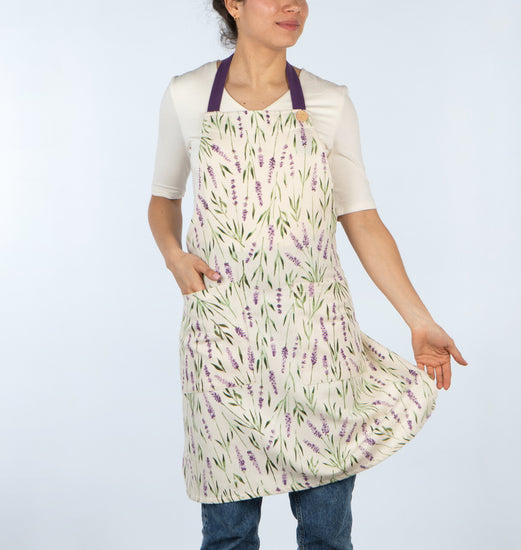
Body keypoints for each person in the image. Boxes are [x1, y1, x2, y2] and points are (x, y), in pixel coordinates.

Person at [148, 1, 468, 548]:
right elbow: (164, 198)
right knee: (227, 534)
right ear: (234, 4)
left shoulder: (328, 102)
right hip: (224, 341)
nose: (293, 5)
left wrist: (419, 320)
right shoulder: (187, 94)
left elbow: (361, 219)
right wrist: (174, 256)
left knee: (325, 532)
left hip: (317, 342)